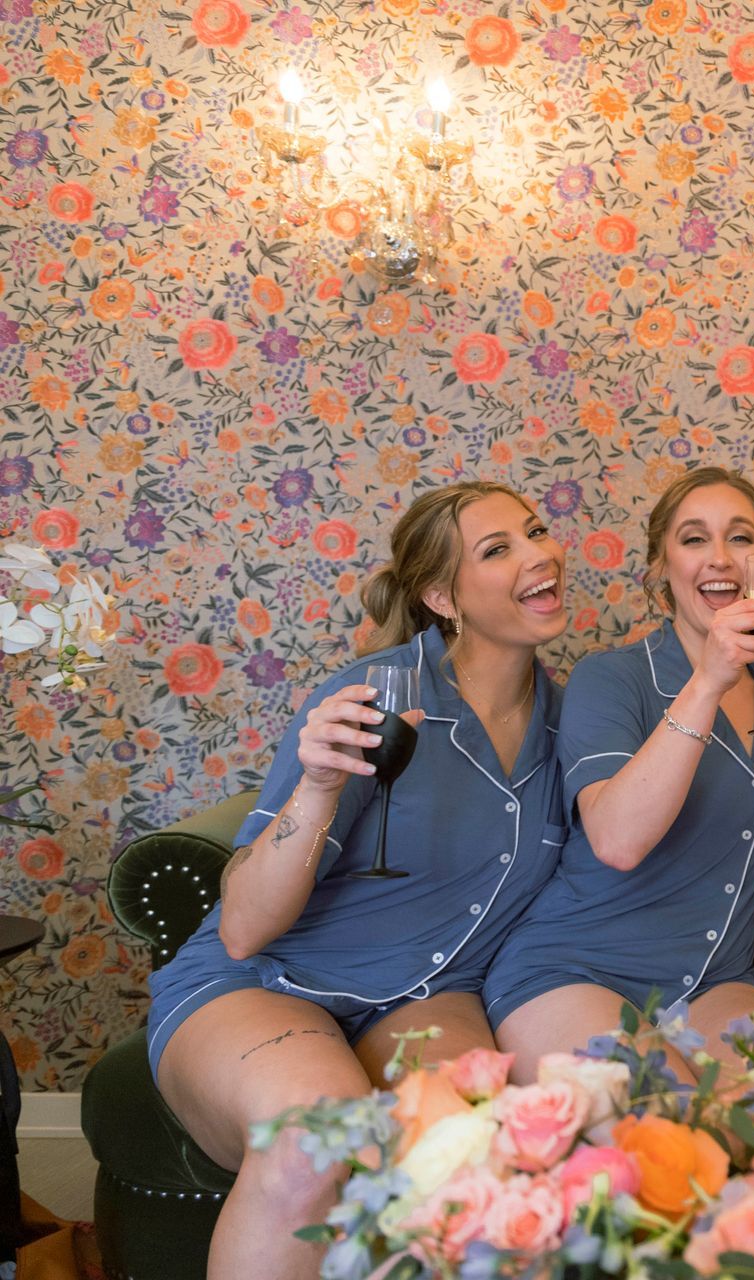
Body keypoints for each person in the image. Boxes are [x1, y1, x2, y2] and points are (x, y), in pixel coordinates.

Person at [147, 481, 569, 1279]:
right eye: (498, 549)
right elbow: (244, 928)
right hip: (269, 981)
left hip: (431, 993)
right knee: (314, 1142)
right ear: (442, 597)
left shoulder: (573, 723)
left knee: (474, 1155)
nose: (539, 554)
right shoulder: (378, 698)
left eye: (536, 531)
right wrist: (317, 787)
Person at [485, 467, 754, 1079]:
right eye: (694, 539)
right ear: (661, 569)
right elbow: (617, 841)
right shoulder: (612, 679)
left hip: (714, 982)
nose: (719, 558)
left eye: (739, 537)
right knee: (664, 1115)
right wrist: (709, 680)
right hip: (575, 972)